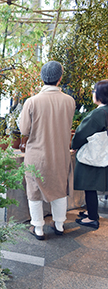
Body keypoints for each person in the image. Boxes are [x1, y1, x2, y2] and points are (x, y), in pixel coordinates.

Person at [19, 61, 76, 240]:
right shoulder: (69, 101)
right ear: (60, 78)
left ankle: (38, 229)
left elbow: (23, 130)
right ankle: (59, 225)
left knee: (34, 191)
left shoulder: (32, 102)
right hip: (60, 154)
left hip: (37, 154)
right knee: (60, 188)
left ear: (42, 78)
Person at [71, 80, 108, 230]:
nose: (92, 93)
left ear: (101, 94)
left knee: (89, 185)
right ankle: (91, 212)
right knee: (93, 185)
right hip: (103, 155)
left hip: (93, 156)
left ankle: (92, 218)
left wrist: (74, 146)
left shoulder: (99, 113)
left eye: (94, 91)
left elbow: (81, 133)